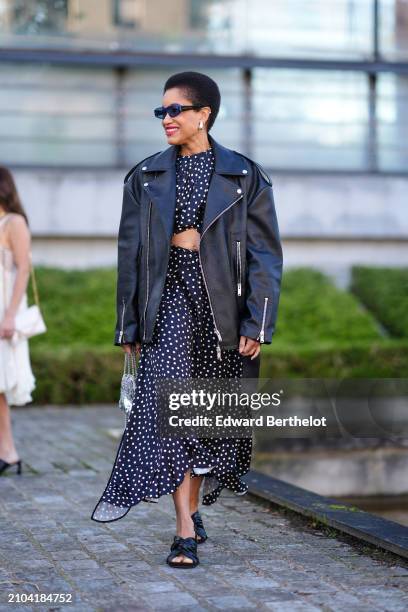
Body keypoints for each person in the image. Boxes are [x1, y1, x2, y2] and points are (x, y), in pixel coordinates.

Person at [91, 71, 283, 568]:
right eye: (162, 111)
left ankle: (191, 510)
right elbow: (129, 254)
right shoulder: (145, 177)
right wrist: (128, 325)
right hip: (167, 308)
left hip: (221, 313)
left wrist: (256, 323)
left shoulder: (246, 176)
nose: (167, 119)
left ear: (205, 115)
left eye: (176, 110)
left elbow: (265, 255)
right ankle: (183, 531)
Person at [0, 167, 36, 476]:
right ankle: (7, 452)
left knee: (2, 383)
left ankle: (9, 452)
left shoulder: (14, 223)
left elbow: (23, 269)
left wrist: (10, 314)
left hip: (4, 309)